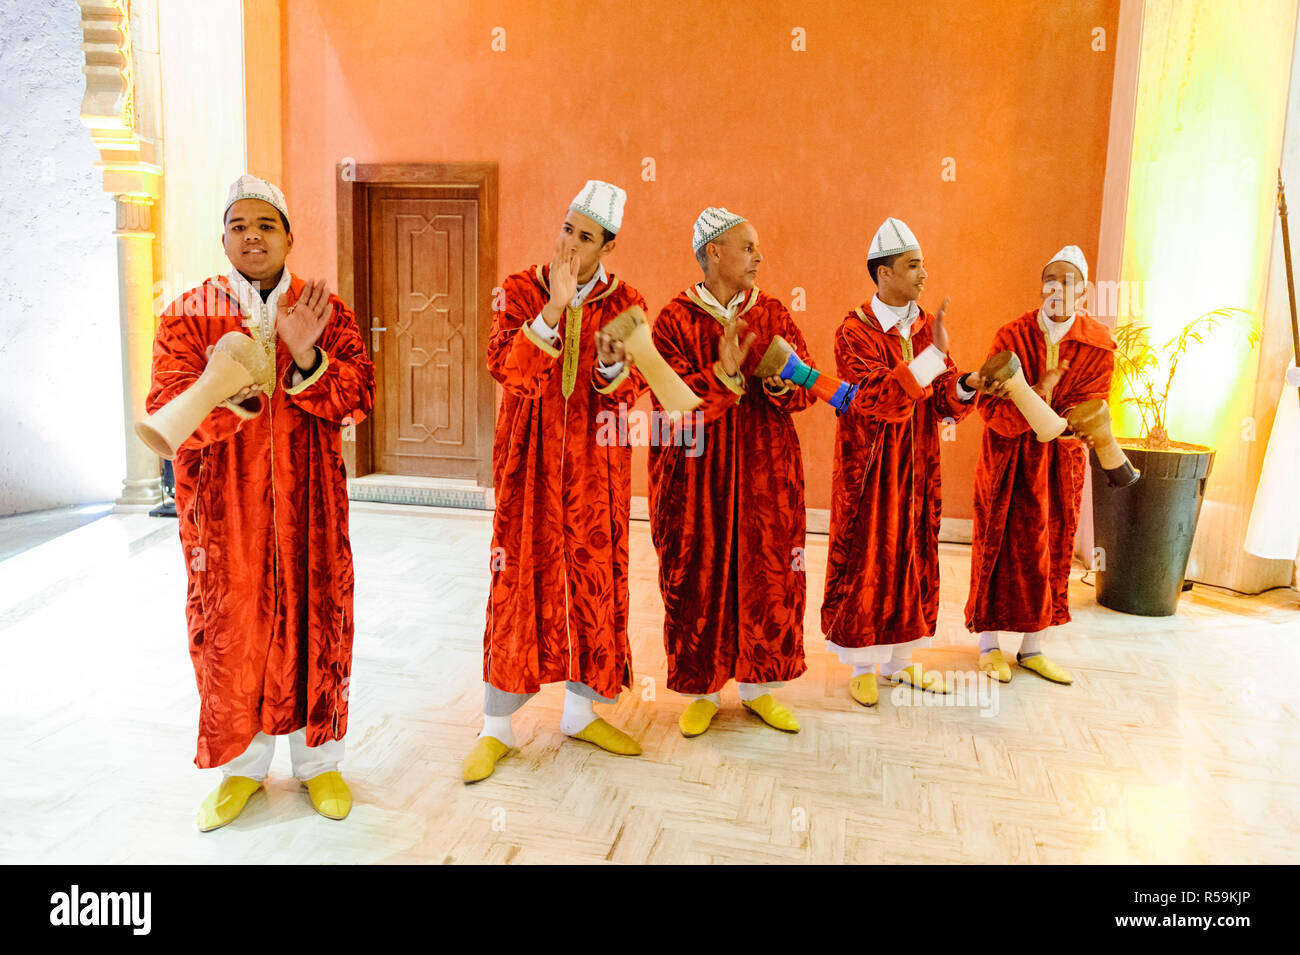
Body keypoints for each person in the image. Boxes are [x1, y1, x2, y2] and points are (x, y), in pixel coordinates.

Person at [146, 174, 375, 830]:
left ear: (289, 236)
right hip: (224, 513)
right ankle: (239, 771)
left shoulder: (328, 310)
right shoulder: (188, 313)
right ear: (222, 237)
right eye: (239, 224)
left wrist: (308, 356)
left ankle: (319, 763)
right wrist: (229, 391)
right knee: (232, 633)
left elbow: (359, 397)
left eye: (265, 224)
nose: (252, 234)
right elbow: (168, 413)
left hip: (313, 509)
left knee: (317, 625)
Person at [465, 181, 649, 783]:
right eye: (567, 228)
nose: (570, 242)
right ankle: (496, 729)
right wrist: (553, 310)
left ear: (609, 245)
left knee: (594, 583)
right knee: (518, 585)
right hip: (529, 467)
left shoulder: (627, 302)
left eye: (586, 236)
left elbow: (635, 385)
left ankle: (581, 711)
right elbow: (505, 367)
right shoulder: (519, 290)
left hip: (597, 470)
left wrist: (613, 366)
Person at [647, 208, 813, 738]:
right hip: (696, 478)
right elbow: (668, 402)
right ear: (714, 252)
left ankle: (761, 687)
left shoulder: (773, 313)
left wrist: (785, 384)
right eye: (747, 247)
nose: (759, 257)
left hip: (766, 471)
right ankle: (701, 689)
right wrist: (723, 375)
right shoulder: (673, 320)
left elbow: (806, 382)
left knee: (768, 575)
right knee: (699, 574)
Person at [822, 217, 980, 707]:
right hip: (869, 471)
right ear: (884, 272)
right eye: (913, 266)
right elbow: (878, 400)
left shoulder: (923, 324)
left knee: (913, 556)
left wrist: (969, 383)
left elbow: (941, 402)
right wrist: (935, 356)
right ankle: (864, 665)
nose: (923, 275)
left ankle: (901, 661)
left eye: (923, 265)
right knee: (869, 559)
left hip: (919, 468)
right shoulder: (854, 332)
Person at [965, 245, 1116, 685]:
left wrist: (1040, 400)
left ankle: (1033, 647)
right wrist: (1039, 401)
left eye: (1067, 281)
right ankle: (989, 645)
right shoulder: (1010, 335)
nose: (1056, 287)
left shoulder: (1098, 343)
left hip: (1059, 465)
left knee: (1050, 549)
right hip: (1007, 457)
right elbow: (989, 400)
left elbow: (1087, 408)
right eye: (1050, 278)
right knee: (997, 544)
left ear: (1084, 291)